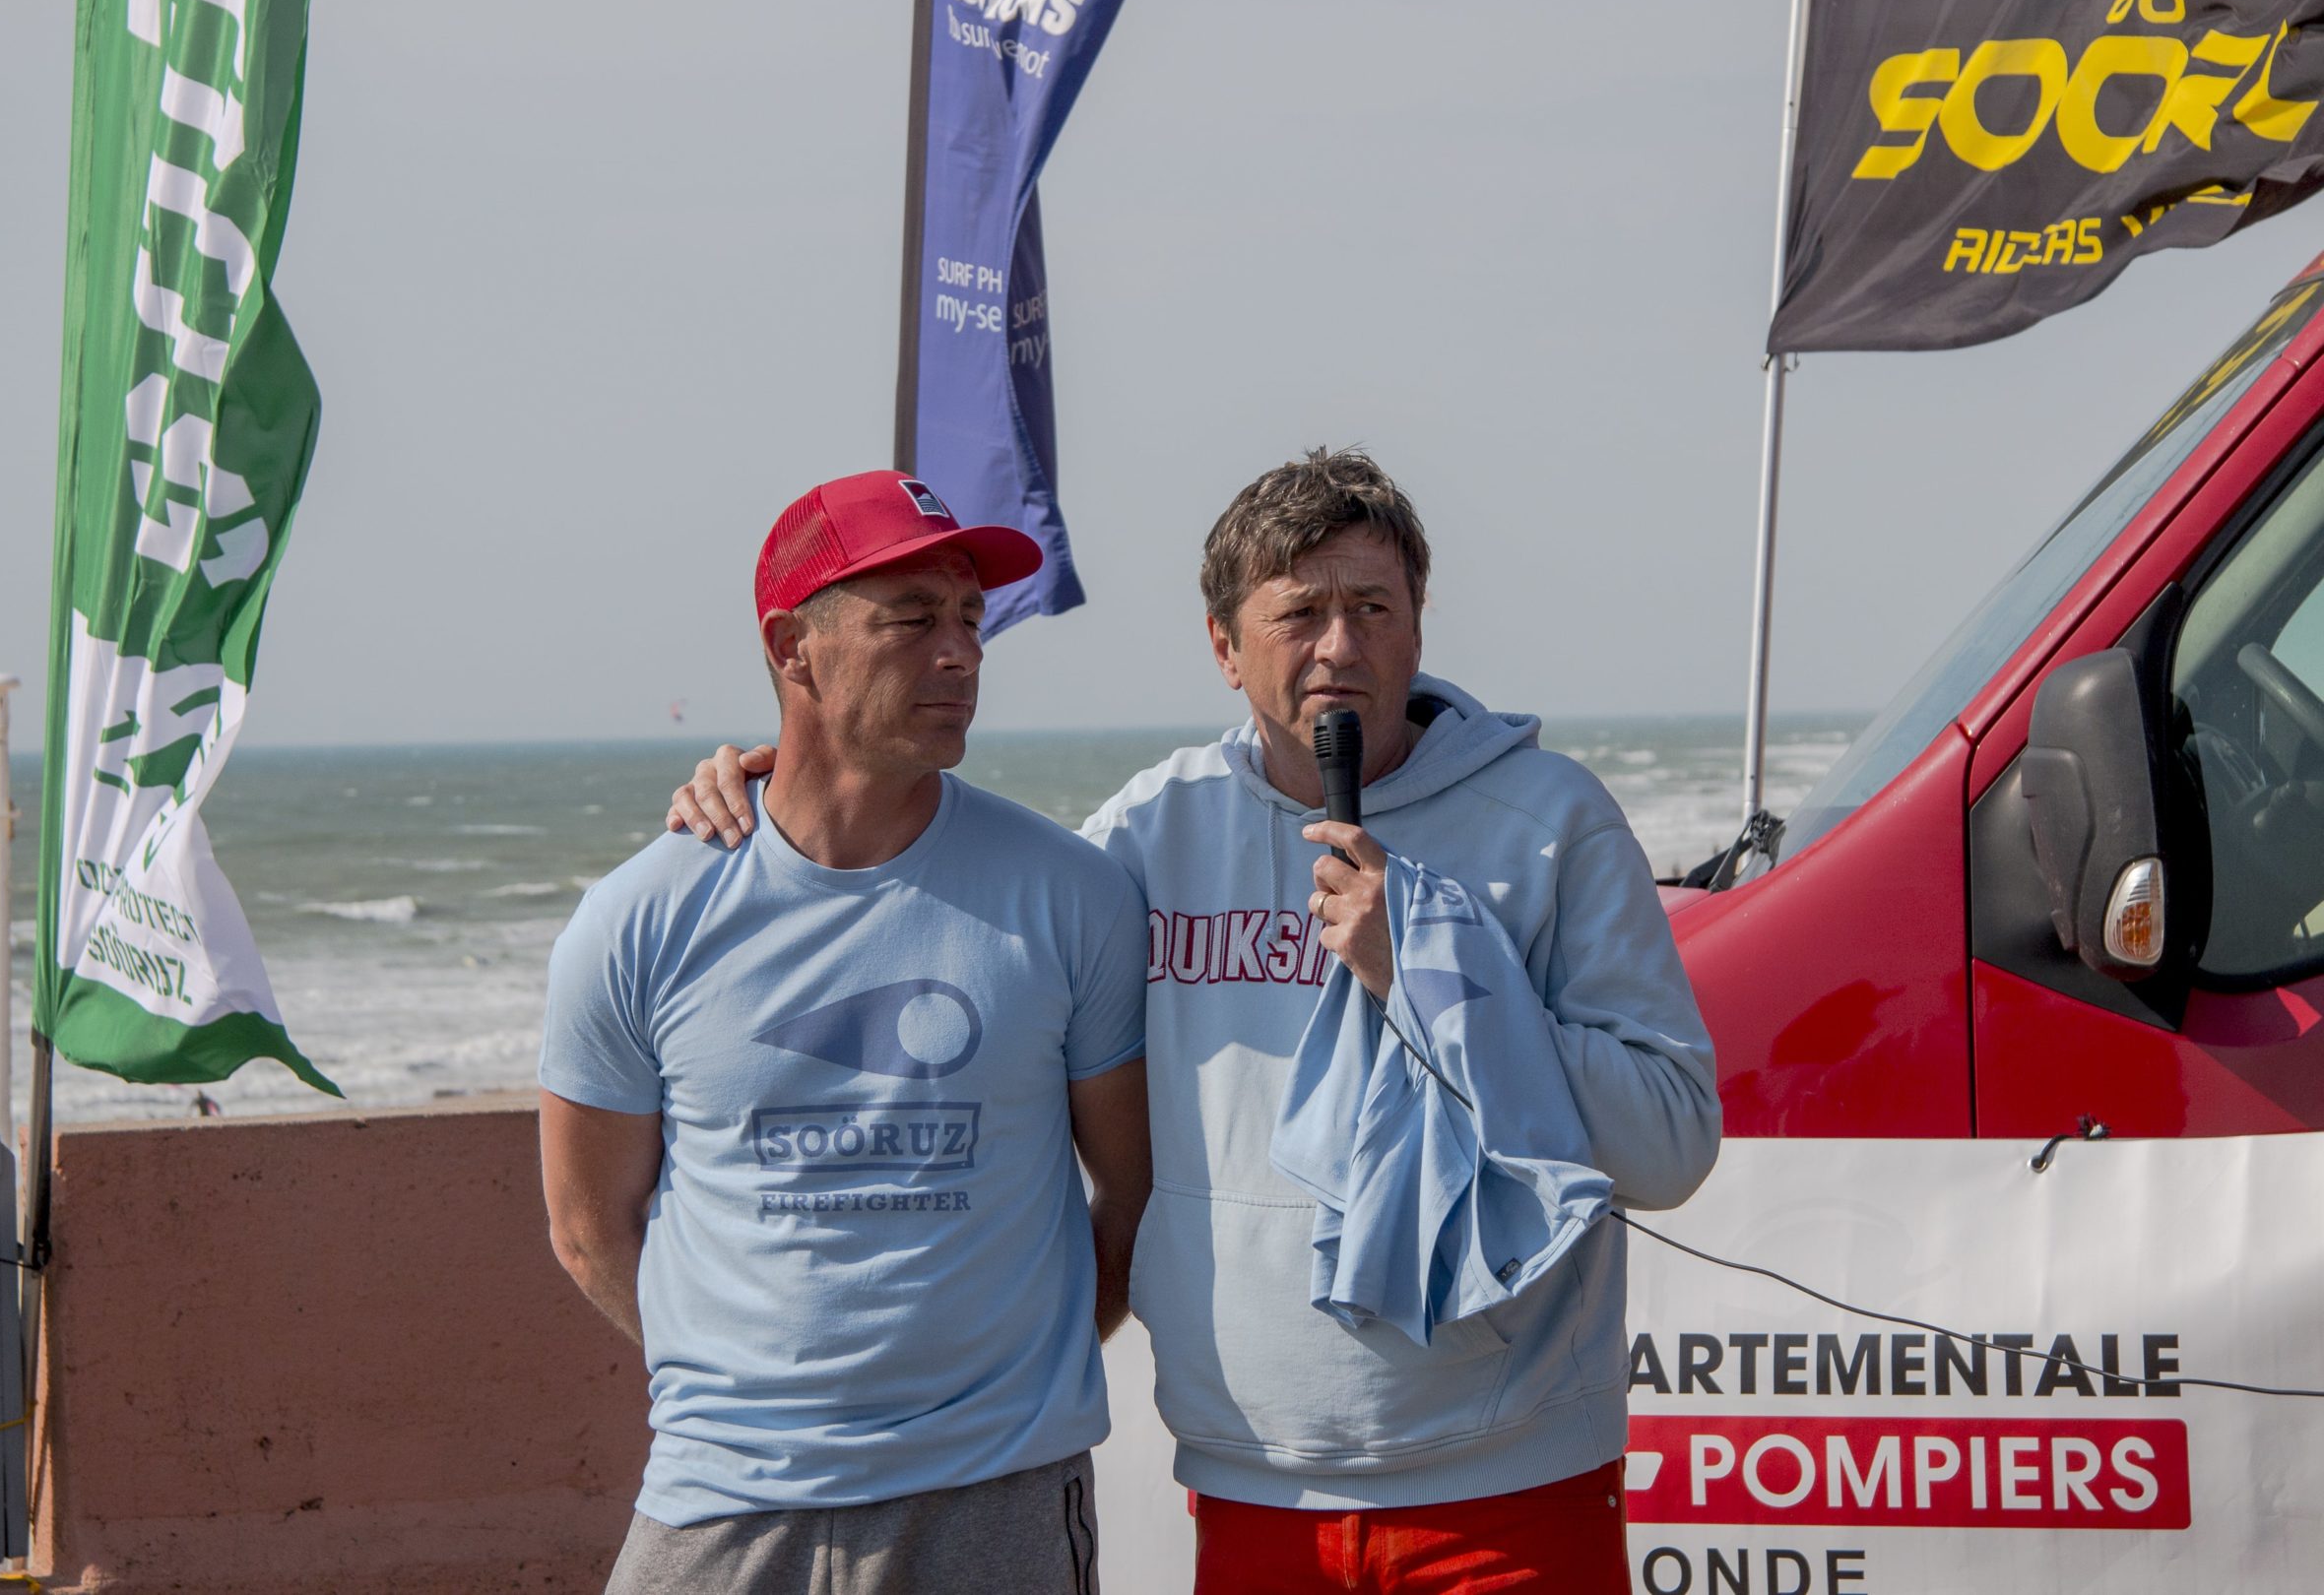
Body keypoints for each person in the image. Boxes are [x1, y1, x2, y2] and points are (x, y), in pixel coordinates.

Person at [670, 449, 1721, 1593]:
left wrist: (1435, 975)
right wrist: (789, 794)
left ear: (1418, 628)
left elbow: (1668, 1145)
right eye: (1299, 613)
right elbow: (943, 911)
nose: (1340, 647)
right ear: (1223, 647)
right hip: (1250, 1481)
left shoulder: (1550, 820)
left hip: (1511, 1484)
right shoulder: (1149, 833)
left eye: (1374, 608)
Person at [544, 469, 1152, 1595]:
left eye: (969, 617)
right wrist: (750, 1399)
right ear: (794, 648)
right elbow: (589, 1230)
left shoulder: (1072, 894)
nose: (960, 653)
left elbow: (1133, 1192)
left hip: (999, 1499)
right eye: (911, 619)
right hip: (722, 1503)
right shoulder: (638, 917)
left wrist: (1010, 1391)